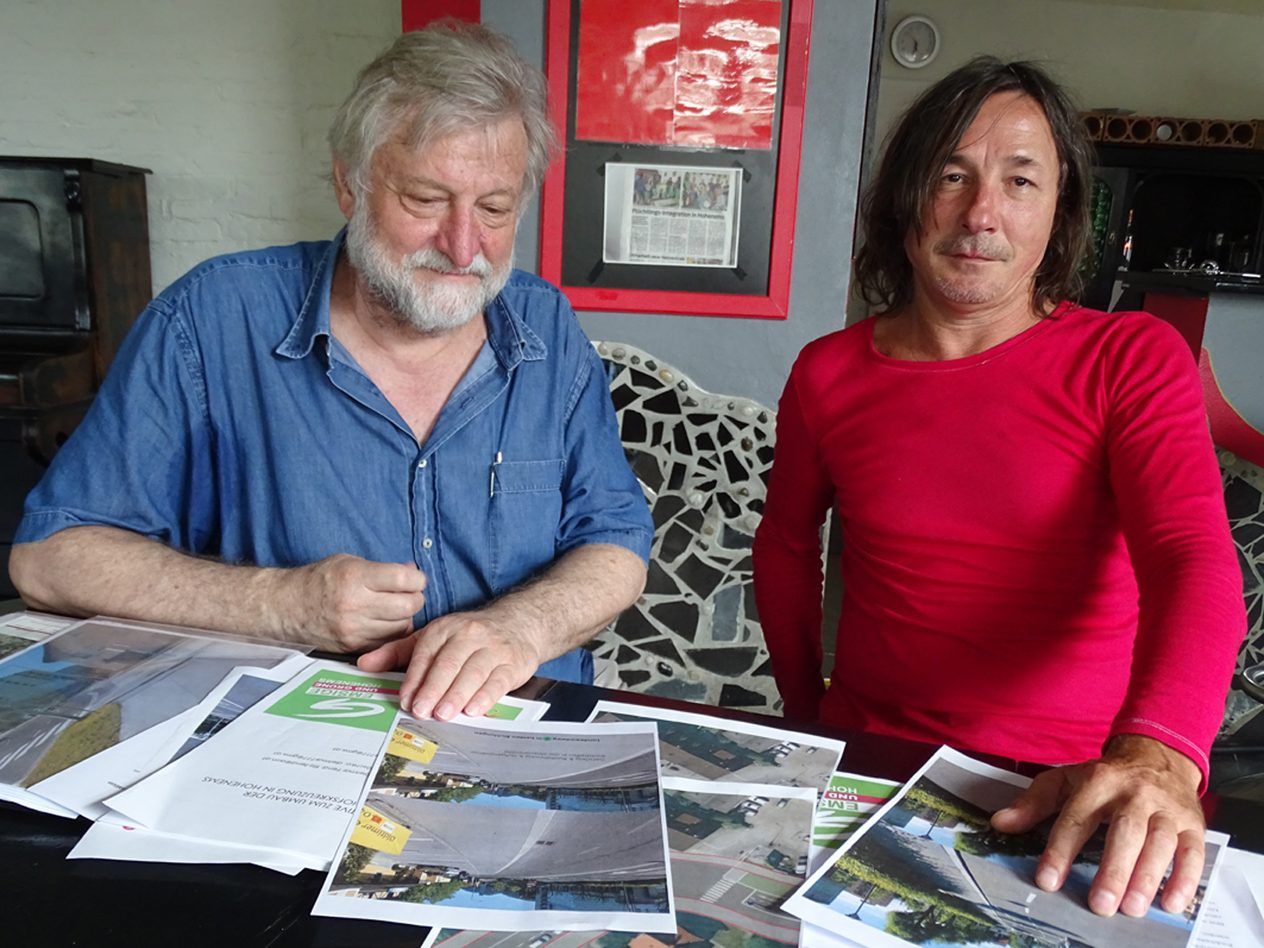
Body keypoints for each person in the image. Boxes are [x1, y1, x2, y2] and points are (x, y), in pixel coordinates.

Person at [9, 21, 653, 722]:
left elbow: (615, 538)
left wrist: (523, 627)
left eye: (494, 209)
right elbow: (49, 560)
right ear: (350, 183)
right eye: (426, 200)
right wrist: (282, 604)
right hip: (286, 740)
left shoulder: (545, 325)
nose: (463, 245)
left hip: (517, 728)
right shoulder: (211, 318)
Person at [752, 57, 1245, 919]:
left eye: (1020, 181)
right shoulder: (827, 372)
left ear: (1059, 212)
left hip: (1080, 782)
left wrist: (1161, 752)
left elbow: (1190, 554)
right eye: (952, 176)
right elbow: (787, 546)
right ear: (905, 197)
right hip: (872, 760)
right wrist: (808, 713)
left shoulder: (1128, 359)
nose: (981, 214)